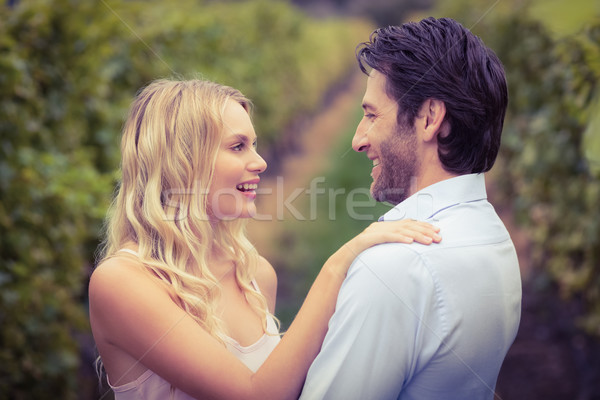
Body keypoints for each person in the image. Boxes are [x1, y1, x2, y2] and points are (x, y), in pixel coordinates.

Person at [88, 78, 442, 399]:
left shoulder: (255, 275)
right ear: (183, 161)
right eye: (238, 146)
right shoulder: (122, 281)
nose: (259, 162)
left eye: (254, 145)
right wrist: (337, 266)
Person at [299, 17, 522, 400]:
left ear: (429, 118)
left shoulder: (394, 272)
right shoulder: (495, 240)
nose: (358, 139)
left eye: (371, 115)